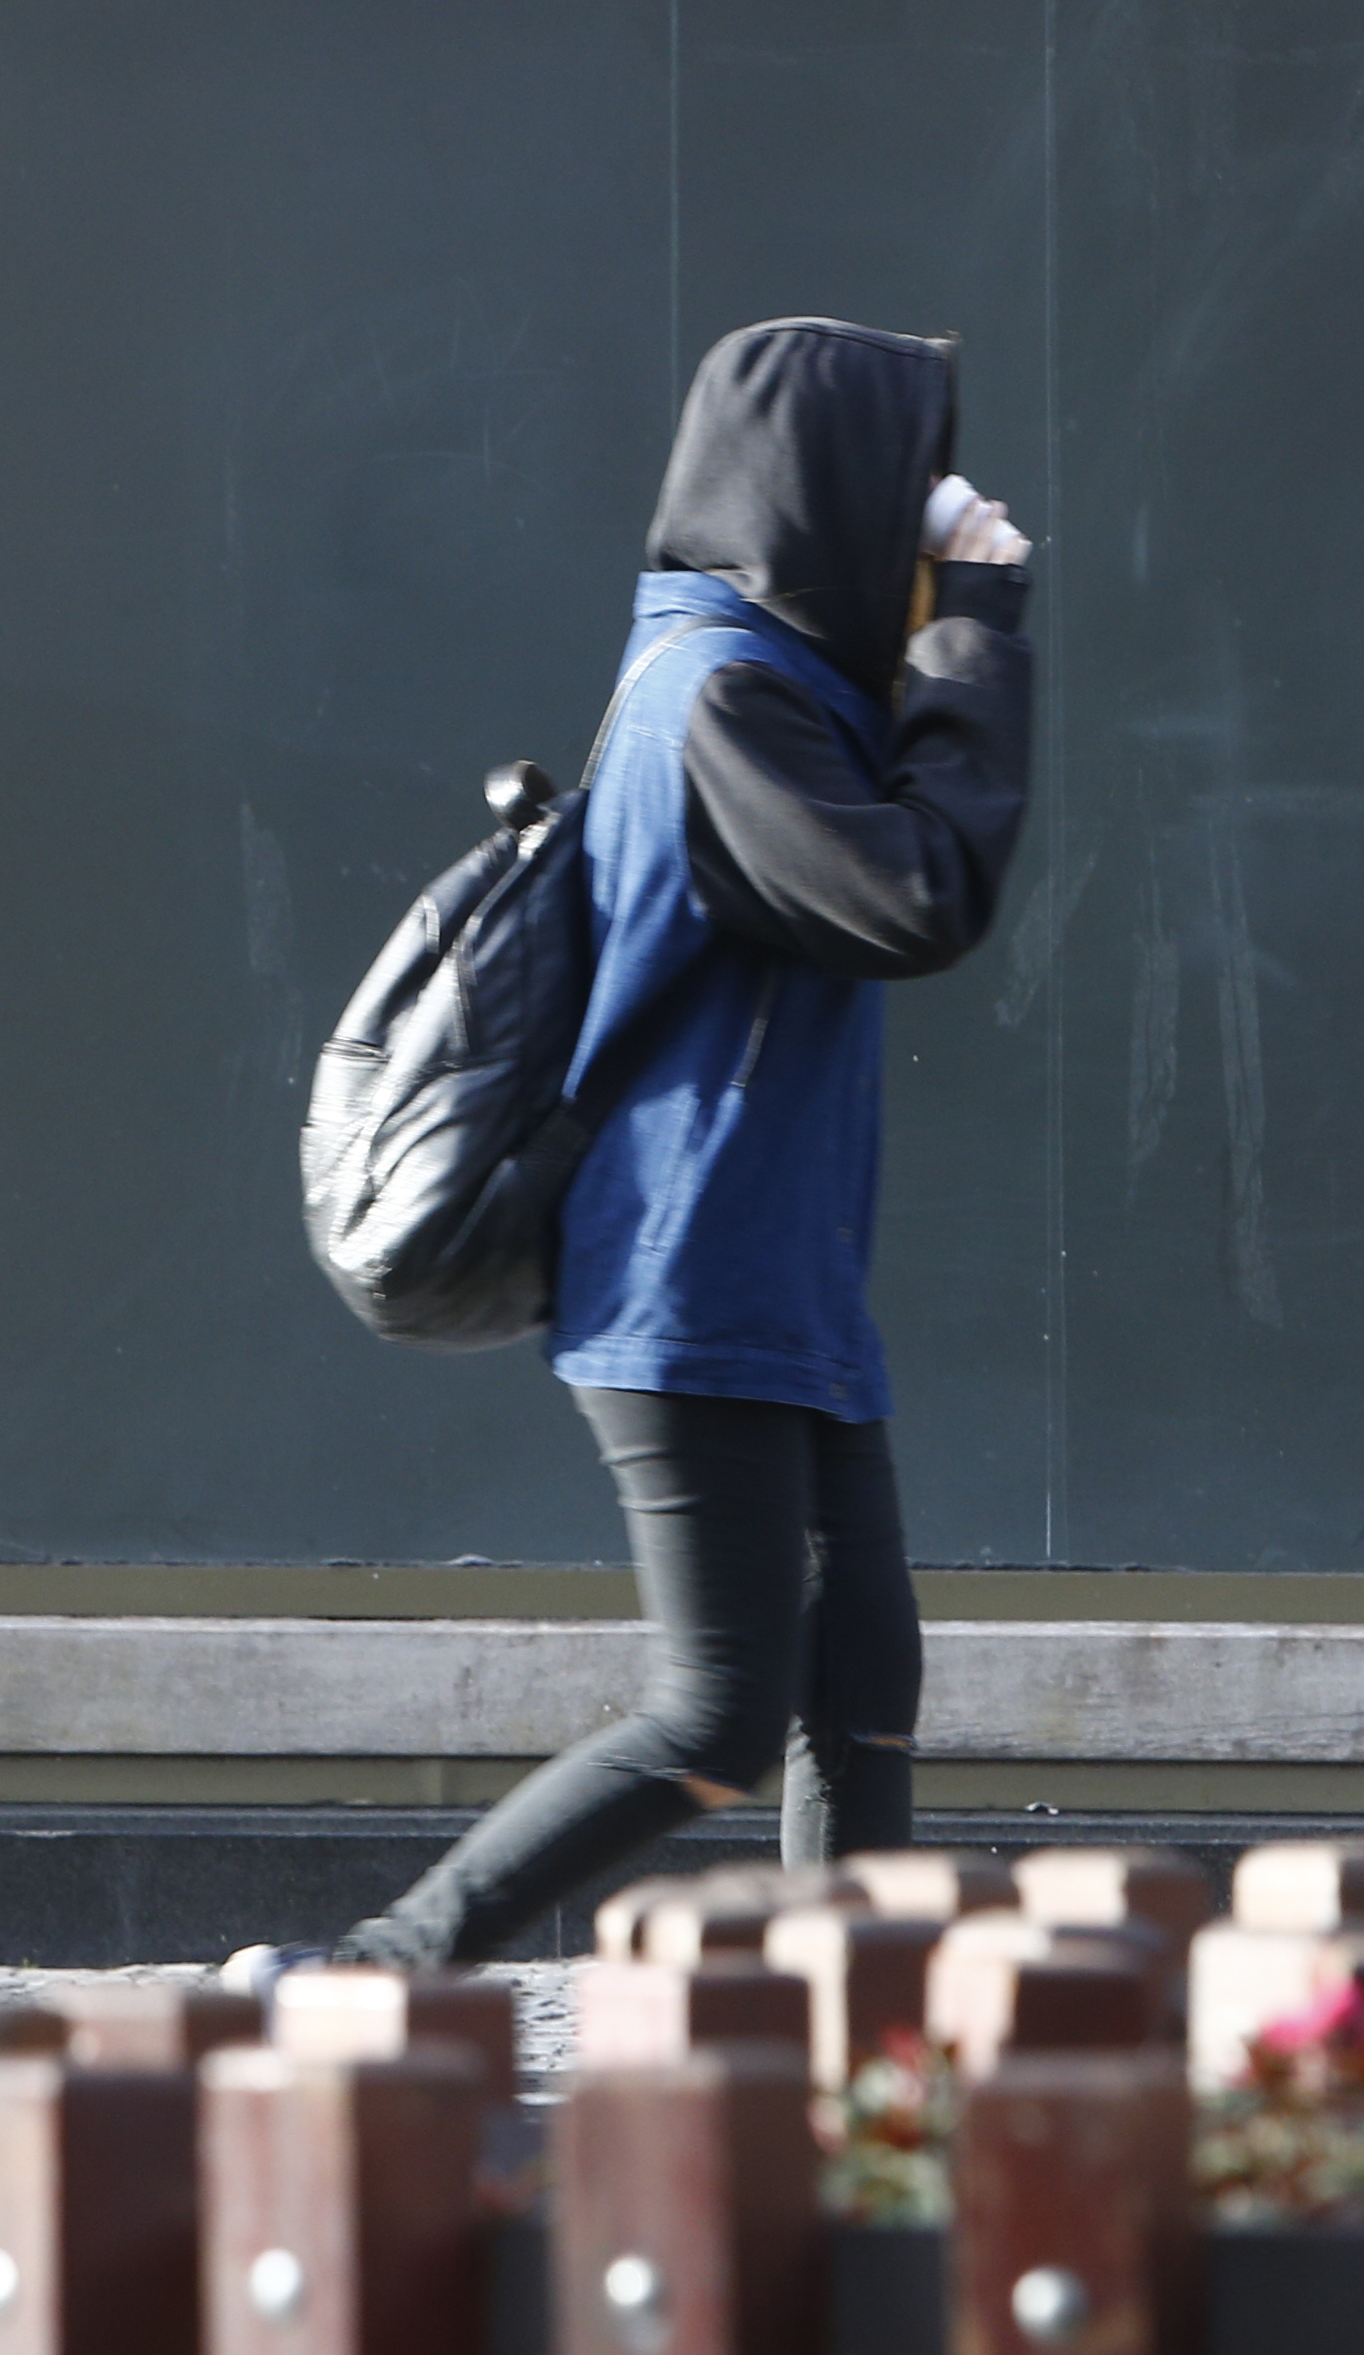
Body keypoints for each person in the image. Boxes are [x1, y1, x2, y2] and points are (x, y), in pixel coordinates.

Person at [277, 314, 1038, 1975]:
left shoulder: (770, 691)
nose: (941, 516)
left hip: (776, 1283)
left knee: (861, 1690)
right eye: (914, 482)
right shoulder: (723, 701)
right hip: (690, 1282)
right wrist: (975, 631)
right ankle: (373, 1970)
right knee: (719, 1710)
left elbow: (904, 863)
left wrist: (942, 647)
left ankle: (852, 2050)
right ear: (828, 494)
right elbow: (920, 895)